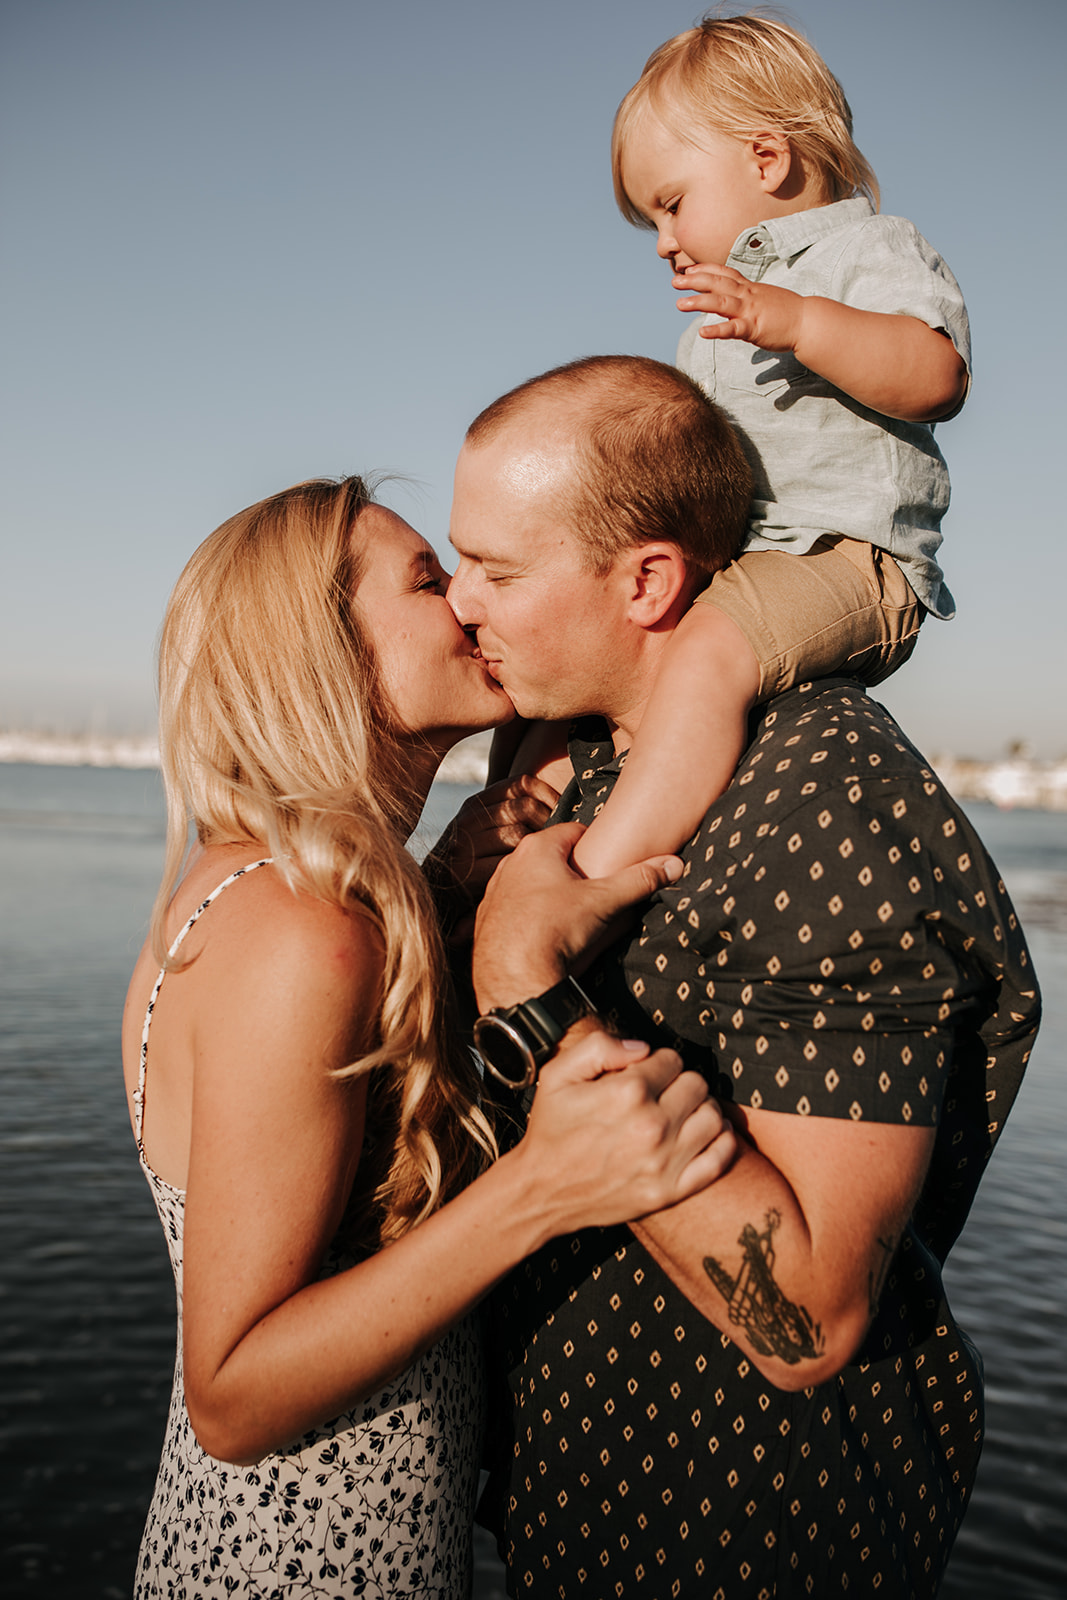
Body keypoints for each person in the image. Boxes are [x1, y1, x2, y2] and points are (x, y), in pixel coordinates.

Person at [446, 355, 1039, 1597]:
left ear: (648, 580)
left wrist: (525, 982)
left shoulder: (817, 791)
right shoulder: (594, 774)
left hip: (747, 1535)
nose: (462, 601)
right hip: (574, 1510)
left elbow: (812, 1315)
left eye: (496, 569)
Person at [120, 474, 737, 1599]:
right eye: (425, 578)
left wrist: (451, 880)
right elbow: (232, 1392)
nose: (466, 600)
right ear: (327, 651)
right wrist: (548, 1184)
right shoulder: (303, 935)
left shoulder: (292, 886)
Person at [550, 13, 971, 882]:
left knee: (706, 653)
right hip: (746, 563)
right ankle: (518, 825)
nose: (663, 241)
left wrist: (795, 320)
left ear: (765, 158)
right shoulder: (723, 311)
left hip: (849, 558)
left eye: (669, 204)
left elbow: (934, 374)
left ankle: (591, 879)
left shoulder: (866, 250)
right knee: (581, 634)